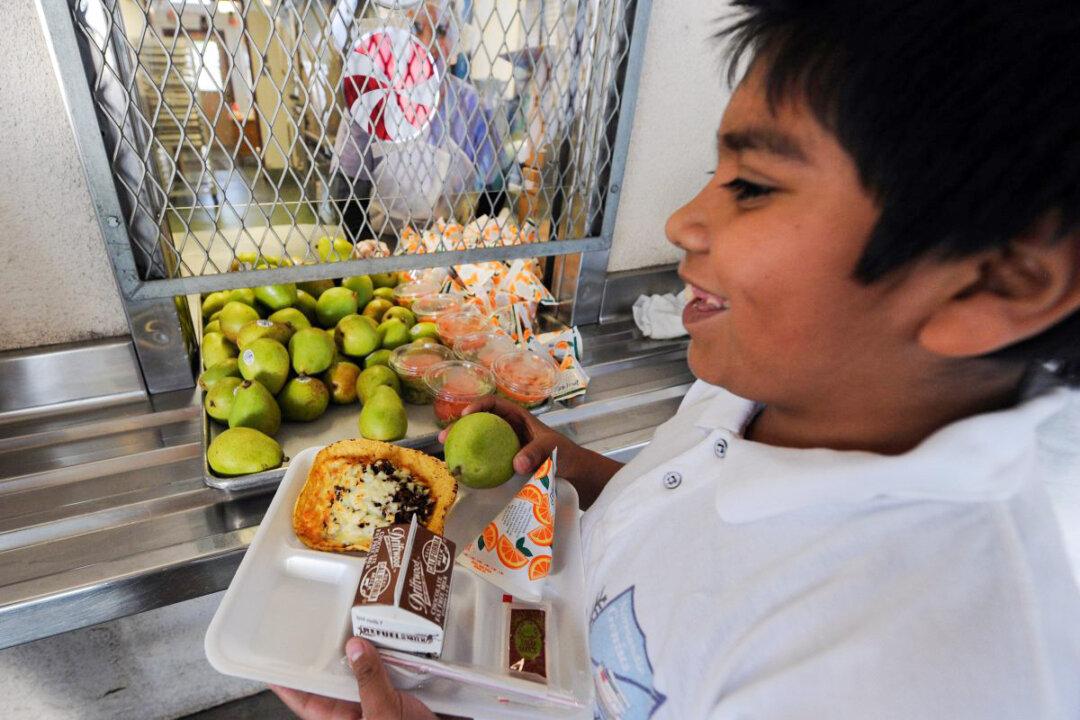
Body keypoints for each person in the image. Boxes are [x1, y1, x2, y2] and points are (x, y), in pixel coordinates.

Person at [274, 0, 1080, 717]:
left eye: (754, 185)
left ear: (995, 283)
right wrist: (576, 467)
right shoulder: (756, 393)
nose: (682, 222)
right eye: (713, 174)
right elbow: (689, 508)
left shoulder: (900, 676)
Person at [327, 0, 501, 244]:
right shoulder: (369, 99)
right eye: (417, 28)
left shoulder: (470, 104)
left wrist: (476, 246)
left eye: (440, 31)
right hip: (380, 239)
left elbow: (495, 186)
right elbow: (346, 192)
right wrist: (371, 255)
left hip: (449, 245)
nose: (428, 43)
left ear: (454, 41)